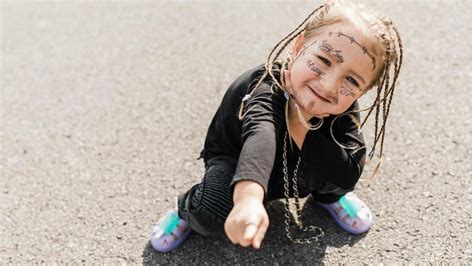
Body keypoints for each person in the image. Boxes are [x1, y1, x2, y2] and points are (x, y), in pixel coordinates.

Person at [150, 0, 403, 252]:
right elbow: (261, 134)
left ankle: (327, 198)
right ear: (299, 45)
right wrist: (248, 199)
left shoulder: (343, 108)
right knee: (212, 208)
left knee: (342, 164)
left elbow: (348, 172)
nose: (328, 85)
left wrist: (302, 123)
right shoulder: (265, 87)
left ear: (363, 90)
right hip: (238, 161)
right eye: (324, 60)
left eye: (351, 79)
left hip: (294, 167)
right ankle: (185, 209)